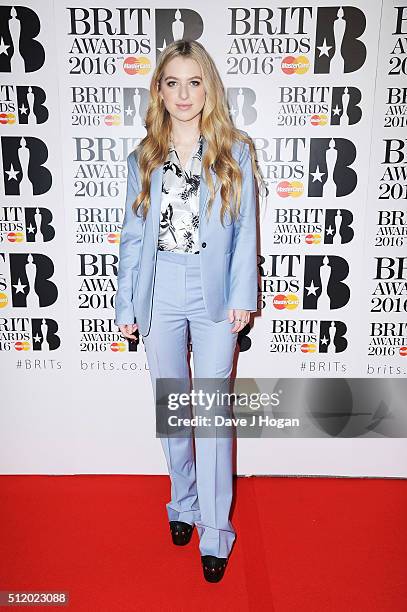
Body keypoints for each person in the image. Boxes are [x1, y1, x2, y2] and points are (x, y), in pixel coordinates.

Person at [114, 39, 262, 583]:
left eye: (194, 81)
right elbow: (132, 239)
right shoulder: (143, 158)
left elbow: (246, 230)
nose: (183, 93)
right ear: (159, 90)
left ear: (209, 89)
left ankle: (217, 530)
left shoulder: (235, 151)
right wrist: (127, 303)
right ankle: (183, 504)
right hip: (159, 292)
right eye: (172, 82)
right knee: (175, 414)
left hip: (216, 291)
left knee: (212, 417)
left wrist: (244, 297)